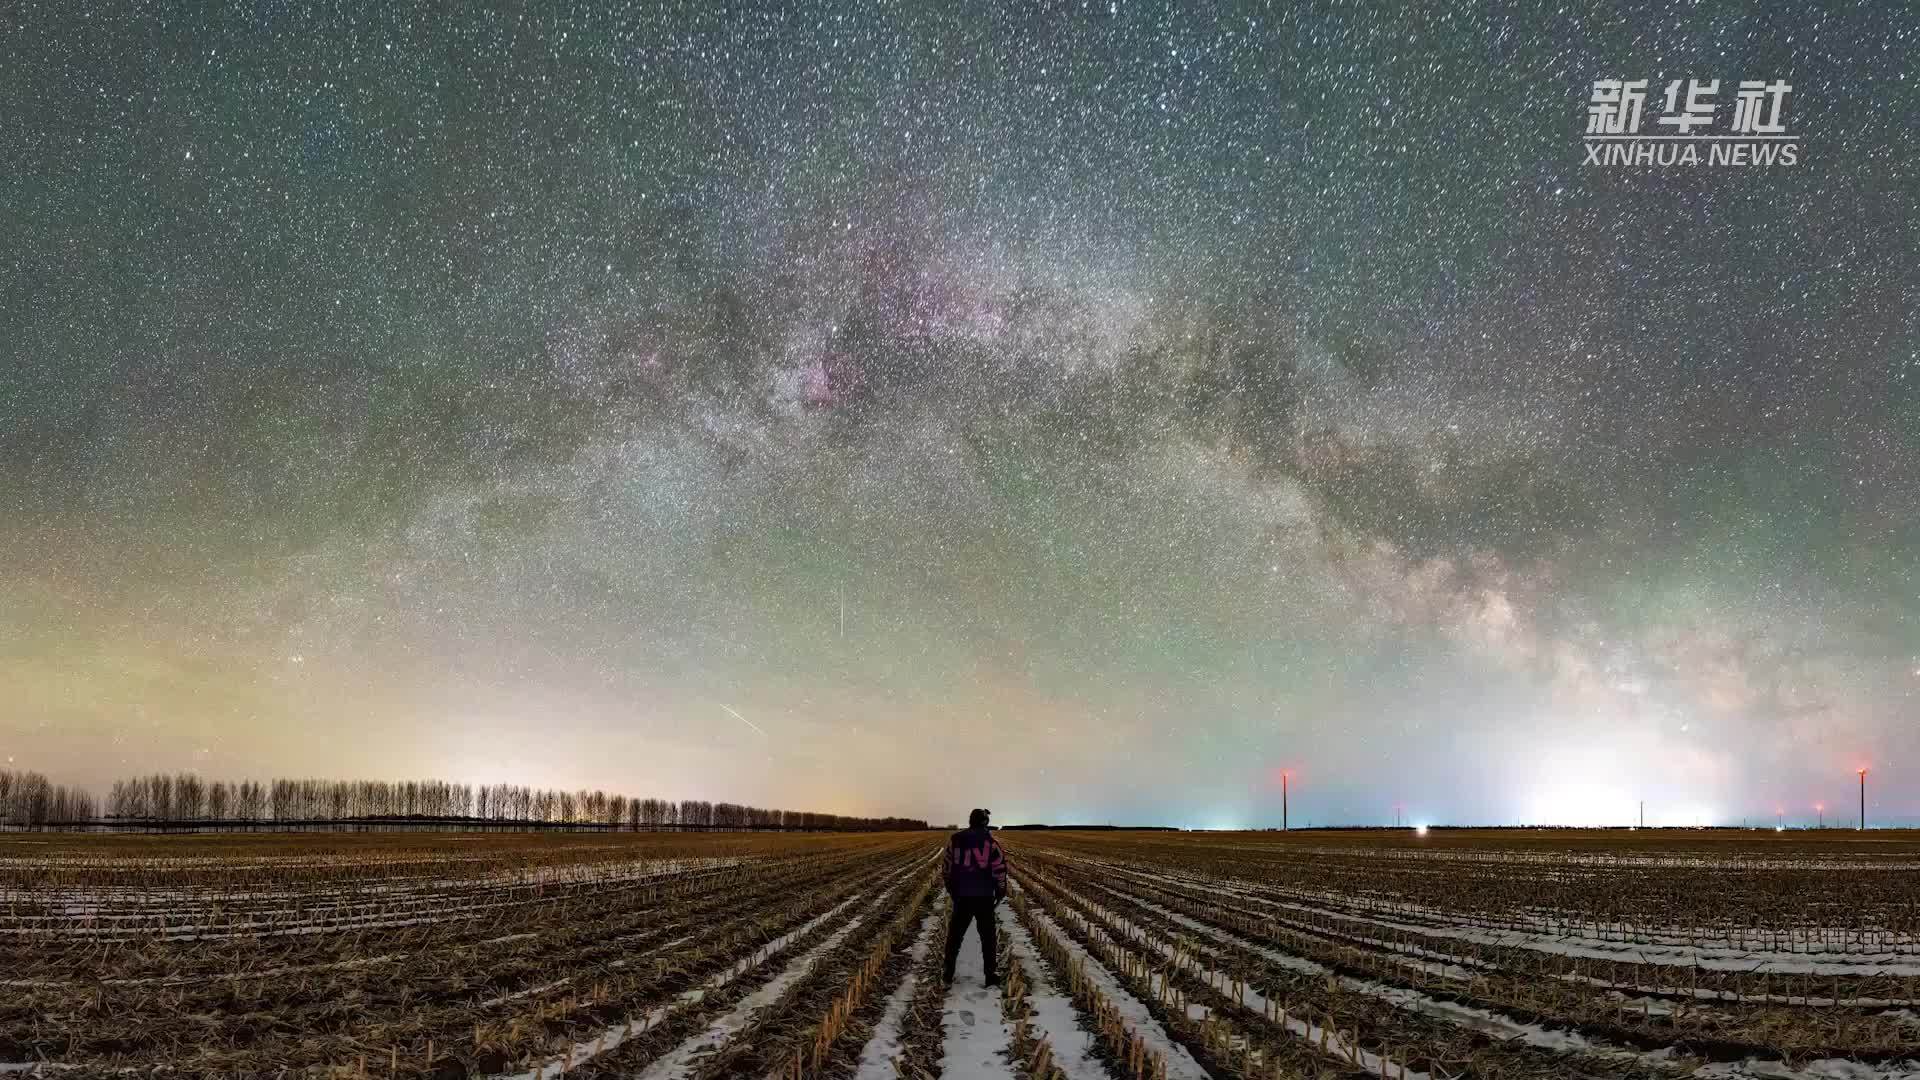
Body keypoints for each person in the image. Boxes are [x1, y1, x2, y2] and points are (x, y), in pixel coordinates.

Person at [941, 807, 1008, 987]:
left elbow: (946, 867)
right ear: (985, 822)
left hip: (962, 896)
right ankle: (990, 975)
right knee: (988, 938)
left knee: (955, 936)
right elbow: (999, 869)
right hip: (984, 897)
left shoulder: (955, 840)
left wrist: (951, 888)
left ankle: (947, 973)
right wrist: (1001, 890)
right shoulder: (991, 843)